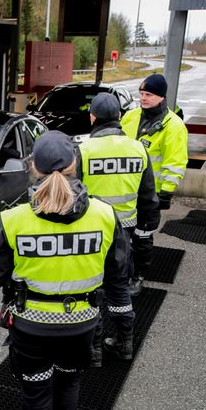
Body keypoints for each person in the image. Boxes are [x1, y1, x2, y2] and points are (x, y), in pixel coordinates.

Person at [0, 131, 133, 410]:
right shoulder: (104, 215)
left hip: (30, 326)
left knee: (37, 392)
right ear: (75, 166)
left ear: (33, 168)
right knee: (68, 386)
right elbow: (119, 271)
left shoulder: (14, 219)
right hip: (82, 324)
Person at [78, 93, 159, 365]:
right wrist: (147, 225)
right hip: (124, 231)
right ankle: (125, 343)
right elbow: (148, 194)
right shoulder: (138, 149)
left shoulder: (84, 151)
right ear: (120, 117)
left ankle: (94, 349)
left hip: (92, 232)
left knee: (92, 290)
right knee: (119, 287)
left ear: (92, 117)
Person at [121, 74, 188, 295]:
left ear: (161, 96)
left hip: (149, 195)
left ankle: (138, 276)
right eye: (141, 94)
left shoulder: (173, 126)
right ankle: (120, 272)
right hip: (124, 191)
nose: (143, 98)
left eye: (148, 94)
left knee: (142, 237)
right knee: (121, 236)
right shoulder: (130, 117)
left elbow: (175, 163)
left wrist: (165, 194)